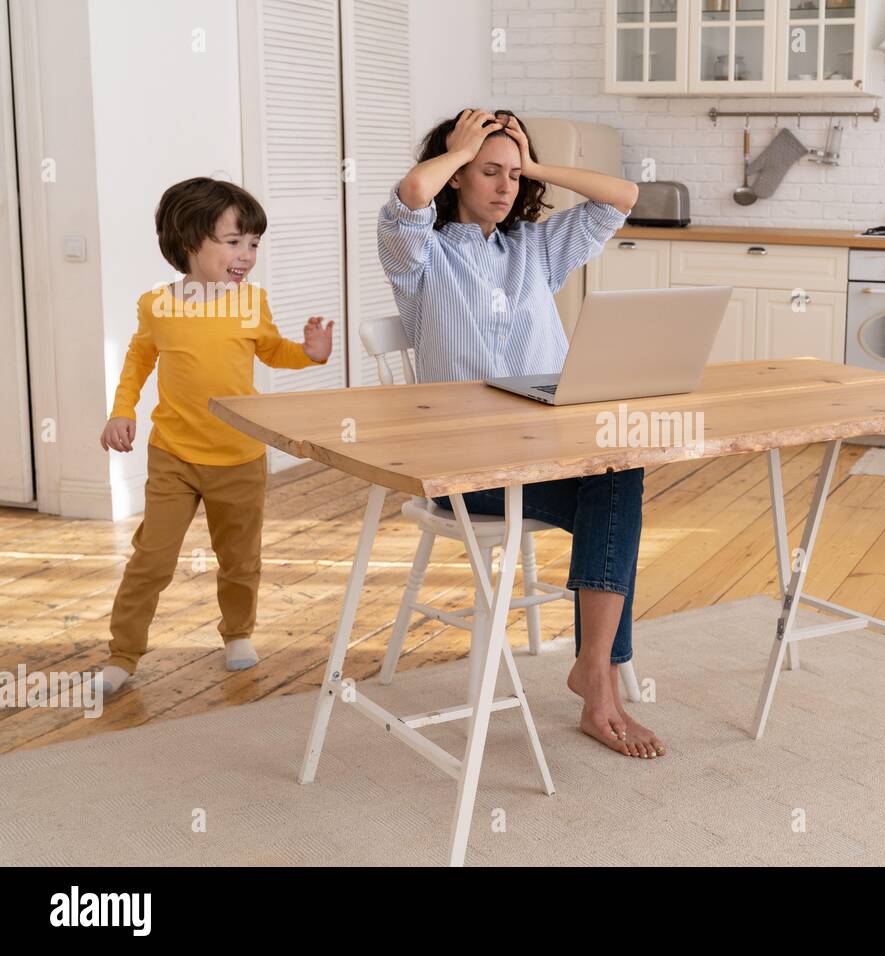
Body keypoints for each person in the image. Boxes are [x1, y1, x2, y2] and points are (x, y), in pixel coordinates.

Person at [377, 108, 664, 759]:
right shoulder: (421, 257)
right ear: (457, 173)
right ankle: (601, 677)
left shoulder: (531, 249)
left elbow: (622, 197)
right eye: (488, 171)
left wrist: (528, 160)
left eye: (514, 175)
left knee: (619, 472)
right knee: (614, 500)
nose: (505, 186)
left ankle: (595, 672)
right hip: (465, 472)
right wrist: (459, 148)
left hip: (549, 453)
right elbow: (412, 197)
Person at [98, 177, 334, 695]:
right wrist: (121, 411)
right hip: (173, 456)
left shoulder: (252, 303)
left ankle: (237, 634)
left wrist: (309, 352)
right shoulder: (156, 305)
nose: (246, 255)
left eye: (253, 244)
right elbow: (139, 360)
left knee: (240, 559)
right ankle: (123, 653)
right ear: (190, 242)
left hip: (240, 456)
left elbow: (273, 352)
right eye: (234, 242)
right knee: (152, 558)